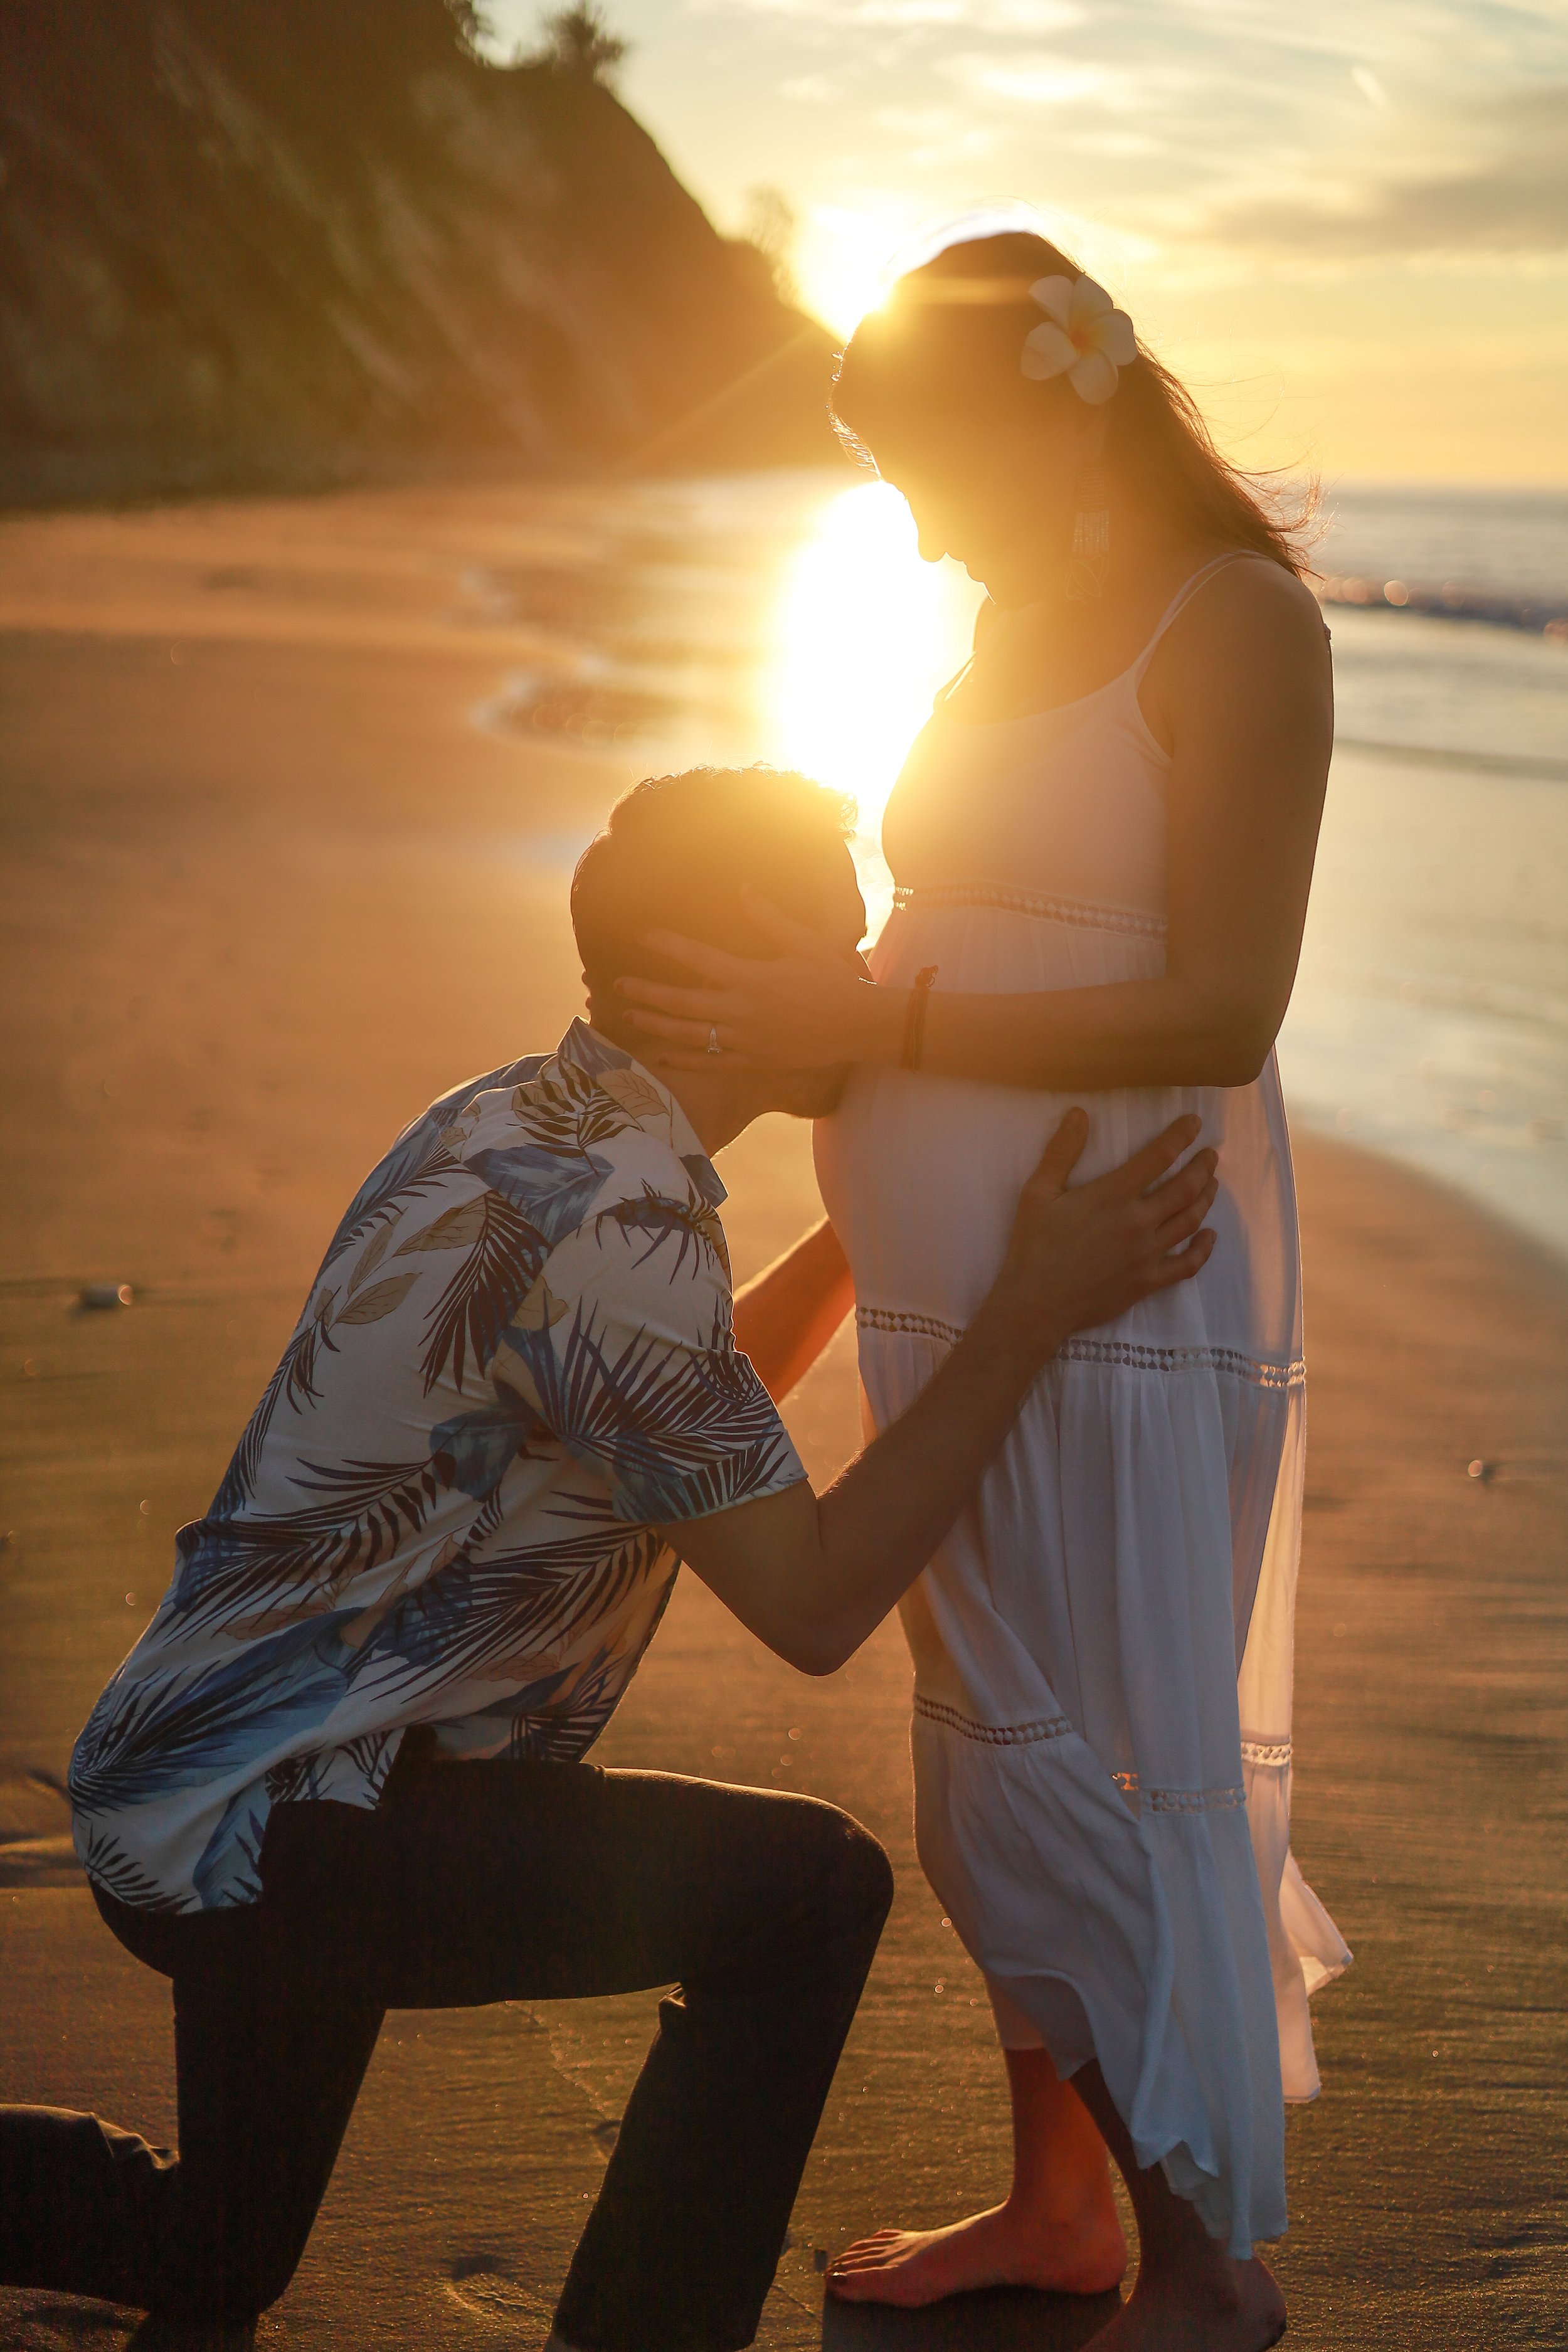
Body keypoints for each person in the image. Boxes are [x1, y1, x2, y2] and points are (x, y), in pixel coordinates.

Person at [0, 763, 1222, 2348]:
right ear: (711, 986)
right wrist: (1029, 1310)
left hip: (225, 1777)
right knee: (804, 1895)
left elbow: (670, 1405)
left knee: (216, 2254)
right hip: (293, 1822)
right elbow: (813, 1598)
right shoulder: (617, 1227)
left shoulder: (527, 1119)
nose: (860, 990)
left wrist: (868, 1244)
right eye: (826, 955)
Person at [615, 235, 1352, 2352]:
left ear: (1049, 409)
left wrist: (876, 1023)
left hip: (1112, 1284)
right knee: (986, 1748)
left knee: (1081, 1750)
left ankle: (1211, 2269)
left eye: (919, 467)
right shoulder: (1005, 617)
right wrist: (828, 1074)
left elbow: (1219, 1004)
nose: (913, 525)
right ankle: (1066, 2212)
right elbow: (945, 941)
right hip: (961, 1280)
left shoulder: (1238, 627)